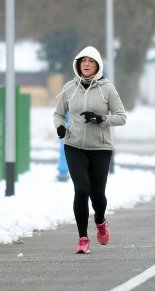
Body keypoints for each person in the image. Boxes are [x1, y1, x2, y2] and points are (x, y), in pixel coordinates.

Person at [53, 46, 126, 254]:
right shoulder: (69, 88)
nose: (85, 64)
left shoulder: (107, 89)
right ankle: (83, 238)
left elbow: (121, 117)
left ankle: (101, 221)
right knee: (82, 189)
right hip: (74, 146)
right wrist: (59, 126)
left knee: (97, 196)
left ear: (97, 65)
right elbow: (58, 113)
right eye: (82, 61)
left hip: (100, 149)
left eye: (90, 61)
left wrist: (100, 119)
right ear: (78, 64)